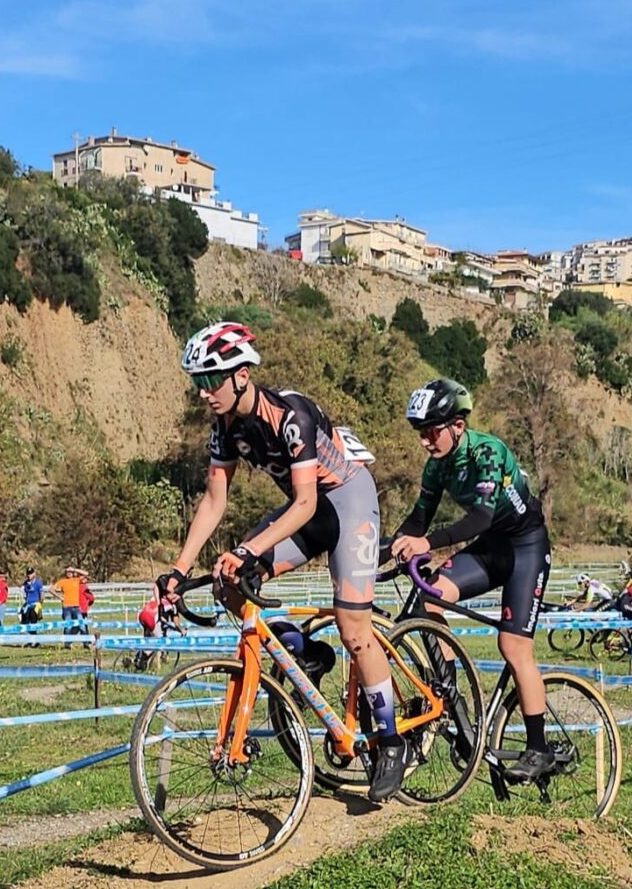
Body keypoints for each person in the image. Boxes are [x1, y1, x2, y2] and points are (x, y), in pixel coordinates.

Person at [157, 322, 402, 803]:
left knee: (354, 629)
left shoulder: (290, 416)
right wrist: (180, 569)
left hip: (344, 504)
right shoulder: (224, 430)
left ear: (243, 375)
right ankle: (303, 652)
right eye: (198, 382)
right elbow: (212, 501)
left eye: (212, 379)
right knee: (229, 582)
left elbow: (308, 504)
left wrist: (249, 548)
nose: (205, 392)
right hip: (306, 512)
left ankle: (391, 741)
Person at [390, 378, 554, 784]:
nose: (426, 441)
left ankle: (539, 747)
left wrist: (426, 543)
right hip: (490, 546)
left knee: (513, 645)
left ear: (457, 426)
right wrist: (390, 546)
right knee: (427, 602)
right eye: (420, 433)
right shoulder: (437, 465)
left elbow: (479, 517)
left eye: (431, 431)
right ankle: (453, 702)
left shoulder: (487, 451)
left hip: (525, 547)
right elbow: (418, 519)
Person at [51, 566, 83, 643]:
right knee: (68, 626)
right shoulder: (63, 582)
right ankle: (67, 643)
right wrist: (60, 597)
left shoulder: (76, 580)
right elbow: (51, 589)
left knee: (81, 625)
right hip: (67, 607)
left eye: (70, 572)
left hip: (76, 607)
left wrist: (74, 569)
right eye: (67, 572)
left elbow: (86, 574)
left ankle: (86, 643)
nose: (69, 573)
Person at [20, 567, 44, 639]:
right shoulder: (26, 583)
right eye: (28, 574)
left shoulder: (38, 583)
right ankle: (28, 639)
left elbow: (42, 594)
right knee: (26, 622)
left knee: (33, 623)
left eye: (30, 574)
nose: (29, 576)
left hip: (35, 605)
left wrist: (40, 603)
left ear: (34, 574)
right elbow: (24, 594)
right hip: (28, 605)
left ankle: (35, 639)